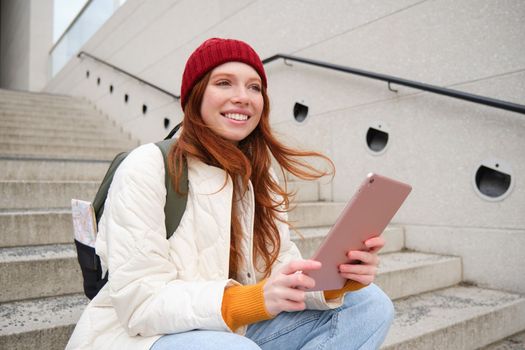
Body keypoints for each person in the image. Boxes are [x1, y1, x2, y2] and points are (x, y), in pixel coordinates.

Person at [66, 38, 394, 350]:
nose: (243, 97)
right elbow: (140, 302)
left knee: (369, 305)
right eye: (224, 83)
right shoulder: (148, 165)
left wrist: (338, 278)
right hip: (140, 337)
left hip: (232, 330)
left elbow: (281, 266)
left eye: (254, 87)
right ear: (195, 96)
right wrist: (248, 301)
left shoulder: (256, 176)